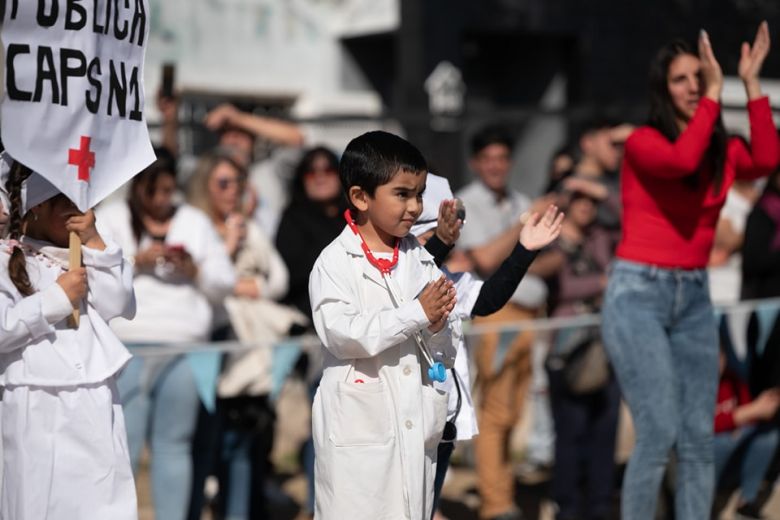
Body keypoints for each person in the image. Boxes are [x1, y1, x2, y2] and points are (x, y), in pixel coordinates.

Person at [600, 23, 778, 519]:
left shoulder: (721, 150)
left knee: (698, 436)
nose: (695, 86)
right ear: (663, 88)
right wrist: (716, 98)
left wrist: (750, 82)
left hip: (694, 296)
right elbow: (682, 161)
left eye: (700, 77)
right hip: (639, 294)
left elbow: (767, 157)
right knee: (657, 432)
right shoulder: (643, 142)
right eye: (682, 79)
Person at [308, 131, 458, 520]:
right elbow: (342, 334)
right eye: (402, 194)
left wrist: (439, 326)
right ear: (360, 197)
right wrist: (417, 314)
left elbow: (444, 348)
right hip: (359, 432)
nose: (414, 207)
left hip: (414, 426)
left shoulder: (421, 260)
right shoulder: (334, 263)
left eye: (420, 194)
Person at [410, 174, 564, 520]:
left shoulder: (445, 278)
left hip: (440, 423)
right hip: (400, 424)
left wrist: (524, 250)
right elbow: (408, 280)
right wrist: (440, 245)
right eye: (429, 234)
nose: (441, 242)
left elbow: (488, 298)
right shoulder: (384, 277)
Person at [97, 152, 236, 520]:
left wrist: (194, 269)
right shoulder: (111, 217)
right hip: (126, 347)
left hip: (185, 349)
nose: (161, 200)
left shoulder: (193, 221)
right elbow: (91, 278)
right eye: (153, 192)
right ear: (137, 187)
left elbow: (225, 282)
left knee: (174, 445)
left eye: (168, 191)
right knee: (125, 445)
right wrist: (134, 262)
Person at [0, 158, 137, 519]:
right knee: (42, 501)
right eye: (70, 204)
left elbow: (120, 303)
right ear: (39, 208)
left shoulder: (89, 255)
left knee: (102, 500)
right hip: (36, 401)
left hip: (93, 396)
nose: (83, 213)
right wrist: (55, 300)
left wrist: (94, 243)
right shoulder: (6, 261)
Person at [456, 124, 562, 520]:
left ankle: (503, 492)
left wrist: (519, 253)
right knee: (496, 411)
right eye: (488, 160)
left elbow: (552, 259)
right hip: (496, 314)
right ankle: (496, 503)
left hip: (531, 315)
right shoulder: (464, 203)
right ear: (475, 163)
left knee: (515, 412)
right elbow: (482, 260)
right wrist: (522, 233)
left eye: (502, 159)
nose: (496, 167)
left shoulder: (520, 199)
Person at [188, 150, 297, 519]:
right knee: (205, 443)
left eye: (237, 183)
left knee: (242, 442)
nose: (232, 191)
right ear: (206, 186)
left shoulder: (252, 227)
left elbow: (277, 280)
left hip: (248, 352)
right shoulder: (193, 226)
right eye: (223, 183)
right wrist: (229, 252)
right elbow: (201, 283)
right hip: (207, 347)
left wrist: (253, 288)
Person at [274, 145, 346, 519]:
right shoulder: (293, 217)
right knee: (322, 421)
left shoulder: (354, 218)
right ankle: (320, 504)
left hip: (359, 333)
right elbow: (291, 274)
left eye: (328, 169)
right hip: (313, 335)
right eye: (311, 171)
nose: (320, 176)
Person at [545, 180, 619, 520]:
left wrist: (601, 189)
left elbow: (631, 215)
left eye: (592, 199)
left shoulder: (601, 236)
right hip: (567, 348)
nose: (586, 205)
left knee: (605, 429)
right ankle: (568, 505)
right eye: (579, 198)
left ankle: (600, 503)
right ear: (565, 202)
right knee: (570, 431)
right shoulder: (550, 238)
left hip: (606, 343)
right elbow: (561, 287)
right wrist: (601, 283)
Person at [714, 349, 780, 520]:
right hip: (701, 464)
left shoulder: (733, 380)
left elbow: (751, 419)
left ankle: (746, 504)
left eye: (719, 356)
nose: (716, 363)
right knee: (724, 441)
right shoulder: (692, 384)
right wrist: (743, 415)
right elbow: (698, 428)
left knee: (768, 436)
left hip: (733, 462)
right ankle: (701, 502)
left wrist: (762, 407)